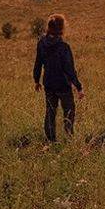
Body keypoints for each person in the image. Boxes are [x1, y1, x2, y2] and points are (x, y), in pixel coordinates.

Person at [33, 13, 83, 141]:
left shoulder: (41, 43)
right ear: (61, 28)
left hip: (48, 83)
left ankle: (51, 140)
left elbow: (38, 63)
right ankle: (69, 137)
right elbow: (69, 69)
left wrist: (36, 80)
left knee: (50, 112)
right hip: (63, 85)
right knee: (69, 111)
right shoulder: (64, 47)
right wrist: (78, 87)